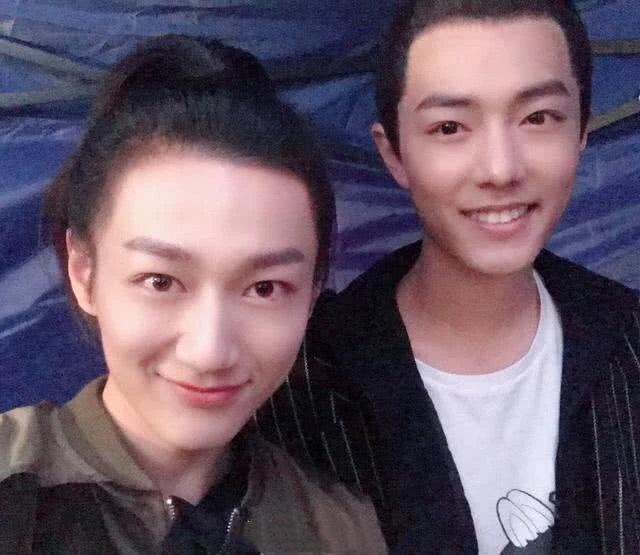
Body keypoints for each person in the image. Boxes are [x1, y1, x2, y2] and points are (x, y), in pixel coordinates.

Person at [261, 1, 640, 553]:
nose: (500, 169)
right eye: (449, 127)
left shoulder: (629, 343)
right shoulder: (300, 387)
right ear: (394, 153)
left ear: (581, 130)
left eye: (538, 118)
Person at [0, 34, 387, 554]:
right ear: (84, 273)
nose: (209, 352)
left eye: (264, 288)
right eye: (160, 281)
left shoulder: (338, 532)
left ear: (313, 292)